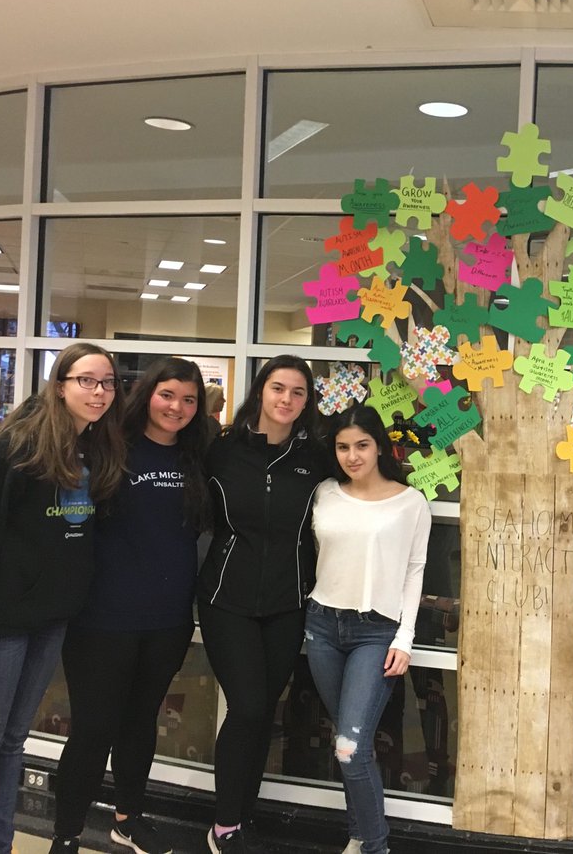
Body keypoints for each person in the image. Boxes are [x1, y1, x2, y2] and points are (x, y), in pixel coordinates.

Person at [0, 342, 126, 854]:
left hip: (50, 621)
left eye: (107, 382)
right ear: (61, 383)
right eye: (86, 380)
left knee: (12, 742)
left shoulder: (95, 447)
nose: (98, 392)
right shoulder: (16, 447)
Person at [49, 358, 210, 854]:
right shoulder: (107, 447)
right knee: (94, 729)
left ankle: (128, 818)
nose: (177, 407)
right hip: (101, 618)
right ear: (146, 395)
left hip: (167, 619)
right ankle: (67, 835)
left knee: (141, 721)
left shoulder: (197, 458)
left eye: (188, 399)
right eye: (167, 395)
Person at [199, 355, 330, 854]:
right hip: (224, 599)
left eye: (298, 393)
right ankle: (224, 826)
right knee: (249, 706)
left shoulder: (315, 456)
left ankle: (240, 819)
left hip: (288, 602)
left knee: (259, 713)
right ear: (261, 391)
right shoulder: (223, 450)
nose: (287, 400)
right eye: (278, 388)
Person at [306, 404, 429, 854]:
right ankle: (359, 836)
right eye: (342, 447)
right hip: (322, 626)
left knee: (350, 748)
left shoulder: (410, 501)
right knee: (347, 740)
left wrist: (405, 638)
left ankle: (375, 846)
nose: (352, 456)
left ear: (379, 446)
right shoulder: (323, 492)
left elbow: (415, 571)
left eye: (361, 445)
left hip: (375, 633)